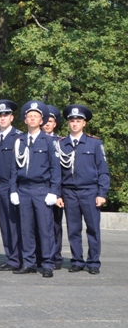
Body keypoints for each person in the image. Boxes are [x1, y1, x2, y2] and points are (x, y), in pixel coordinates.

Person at [57, 104, 110, 274]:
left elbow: (103, 170)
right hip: (69, 192)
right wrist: (58, 194)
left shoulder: (94, 143)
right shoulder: (61, 144)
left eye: (78, 121)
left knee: (93, 228)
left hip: (90, 191)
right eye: (72, 121)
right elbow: (57, 173)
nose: (74, 124)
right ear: (68, 123)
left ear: (84, 123)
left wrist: (102, 193)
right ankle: (77, 261)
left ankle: (93, 262)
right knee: (73, 229)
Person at [10, 101, 60, 278]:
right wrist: (13, 190)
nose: (32, 119)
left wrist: (54, 192)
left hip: (41, 190)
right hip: (23, 190)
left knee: (45, 229)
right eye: (29, 116)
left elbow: (55, 169)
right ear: (25, 120)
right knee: (26, 228)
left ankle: (47, 263)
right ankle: (29, 262)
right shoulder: (19, 141)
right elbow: (14, 168)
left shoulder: (49, 141)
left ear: (41, 120)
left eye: (36, 116)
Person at [0, 100, 23, 271]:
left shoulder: (19, 137)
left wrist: (15, 187)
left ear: (12, 117)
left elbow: (20, 165)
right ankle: (11, 257)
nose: (2, 118)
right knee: (4, 224)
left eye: (5, 115)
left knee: (14, 224)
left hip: (12, 187)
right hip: (0, 187)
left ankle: (18, 259)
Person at [43, 104, 64, 269]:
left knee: (55, 225)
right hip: (39, 190)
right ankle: (40, 255)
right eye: (45, 121)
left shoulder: (61, 143)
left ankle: (55, 256)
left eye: (50, 121)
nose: (47, 124)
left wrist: (57, 193)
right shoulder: (33, 140)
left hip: (56, 191)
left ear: (55, 123)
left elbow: (62, 170)